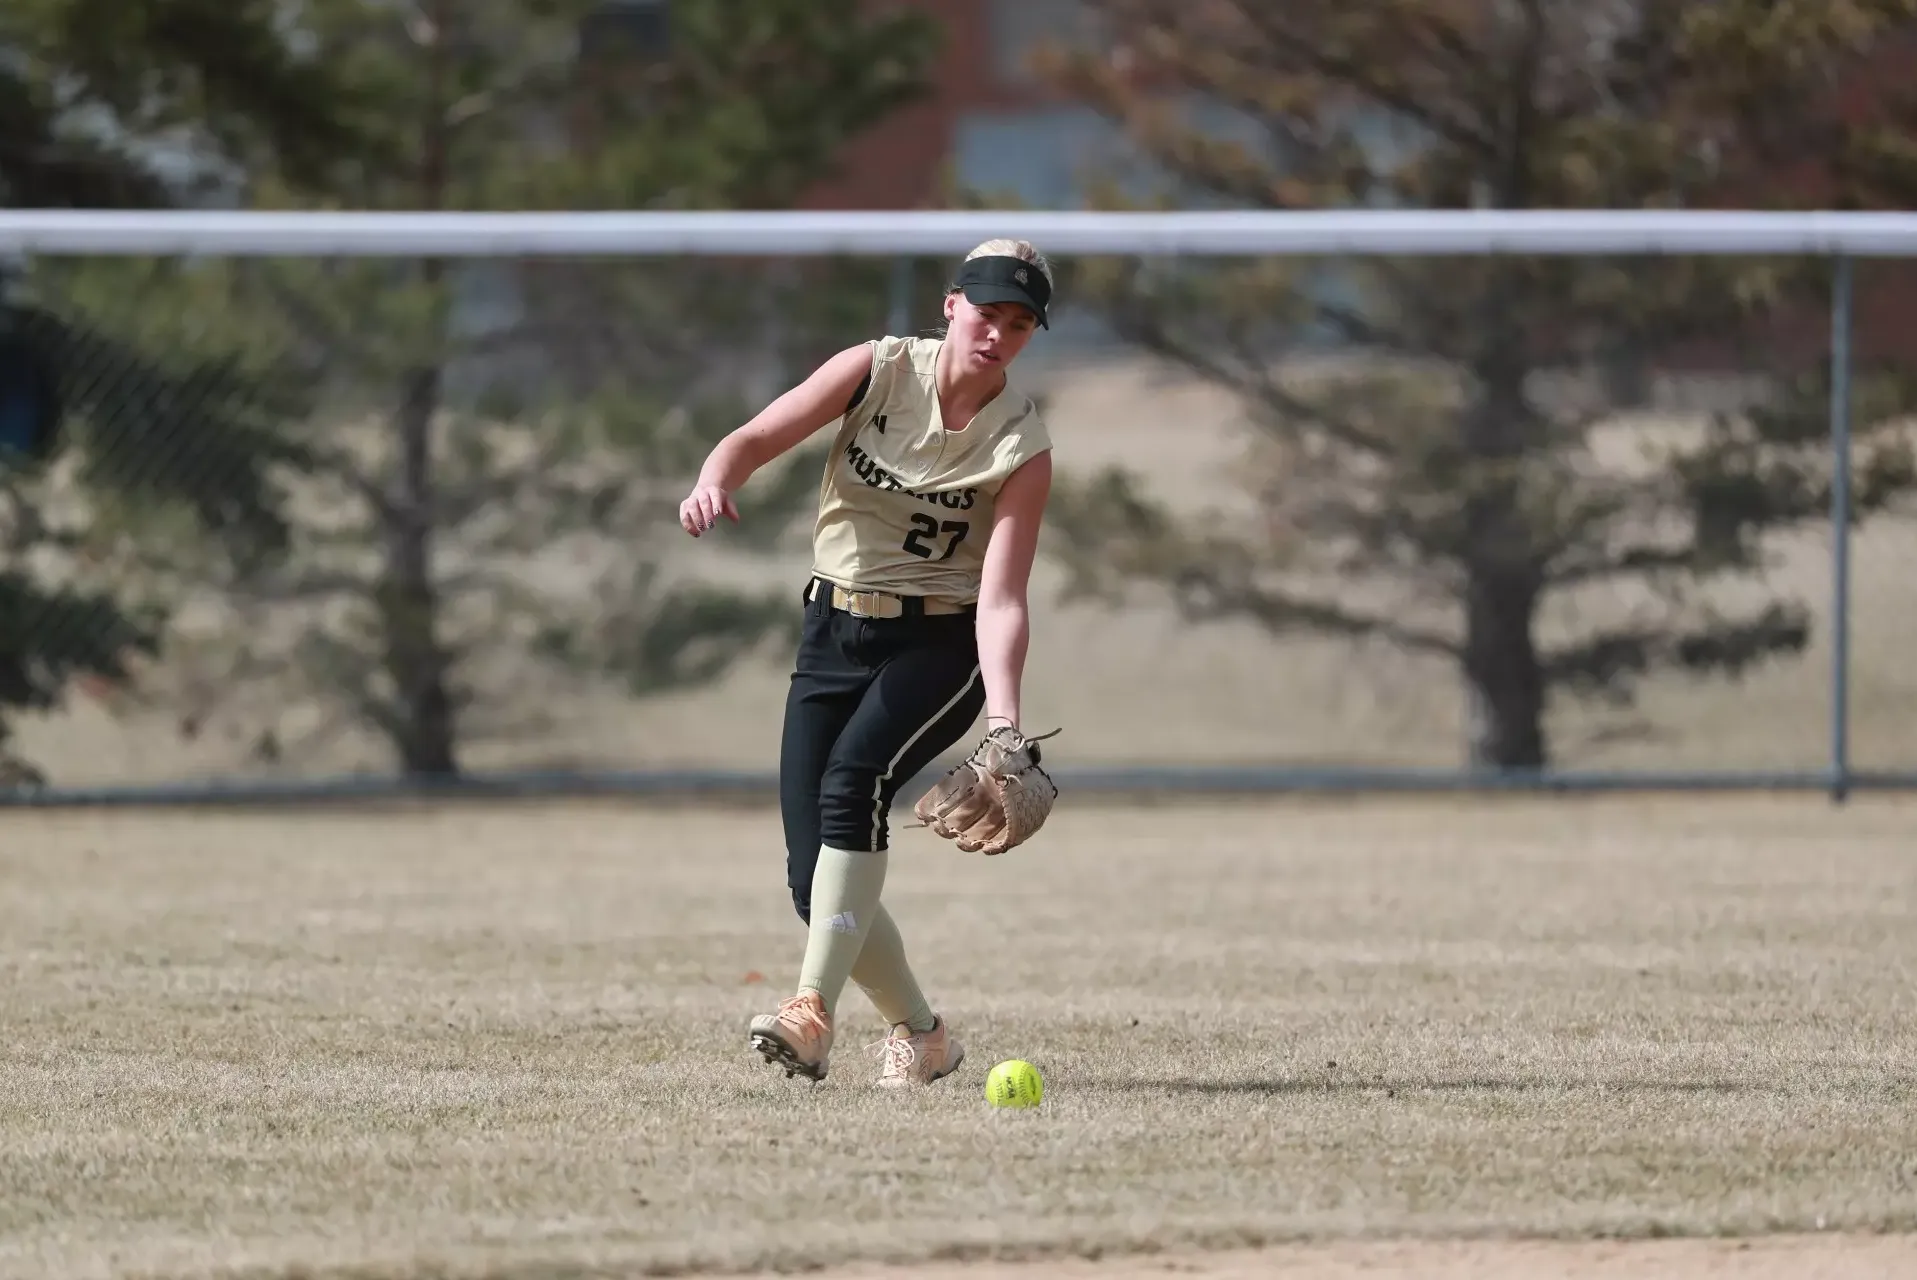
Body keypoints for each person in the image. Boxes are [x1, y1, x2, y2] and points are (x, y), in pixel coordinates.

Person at [677, 238, 1056, 1088]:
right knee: (813, 882)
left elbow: (1001, 599)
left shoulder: (1021, 445)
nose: (998, 334)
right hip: (833, 628)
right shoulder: (875, 370)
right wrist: (714, 479)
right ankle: (922, 1037)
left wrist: (1003, 720)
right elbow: (751, 438)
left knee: (853, 786)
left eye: (1019, 323)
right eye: (987, 313)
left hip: (938, 644)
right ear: (952, 304)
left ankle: (809, 1014)